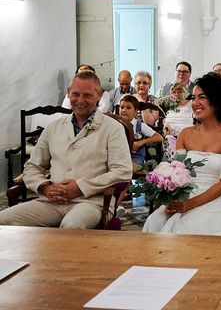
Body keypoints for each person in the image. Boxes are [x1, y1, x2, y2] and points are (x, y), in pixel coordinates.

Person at [0, 71, 132, 228]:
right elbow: (32, 167)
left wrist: (80, 187)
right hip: (51, 202)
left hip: (91, 203)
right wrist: (45, 187)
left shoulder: (112, 128)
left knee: (71, 227)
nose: (80, 100)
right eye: (75, 94)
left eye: (87, 95)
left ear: (98, 95)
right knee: (2, 219)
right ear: (68, 94)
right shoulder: (53, 128)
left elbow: (122, 171)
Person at [142, 73, 221, 235]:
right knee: (154, 221)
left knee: (188, 228)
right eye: (193, 97)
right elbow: (176, 170)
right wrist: (172, 197)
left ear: (218, 100)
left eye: (202, 97)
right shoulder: (186, 133)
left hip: (220, 198)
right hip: (187, 192)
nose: (195, 103)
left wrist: (189, 205)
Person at [118, 95, 163, 169]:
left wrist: (140, 143)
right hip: (117, 156)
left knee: (128, 169)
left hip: (135, 158)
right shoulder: (115, 124)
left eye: (128, 108)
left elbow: (159, 137)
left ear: (136, 111)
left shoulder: (141, 126)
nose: (123, 110)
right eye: (122, 107)